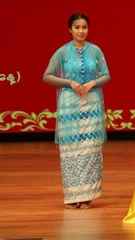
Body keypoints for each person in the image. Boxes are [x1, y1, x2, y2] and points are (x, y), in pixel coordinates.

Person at [43, 13, 110, 209]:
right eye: (77, 27)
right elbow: (47, 76)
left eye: (84, 27)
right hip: (70, 106)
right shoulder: (62, 52)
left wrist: (93, 82)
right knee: (72, 150)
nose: (81, 31)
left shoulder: (96, 51)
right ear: (70, 29)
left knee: (90, 149)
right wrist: (69, 82)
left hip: (91, 104)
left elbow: (107, 75)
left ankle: (88, 194)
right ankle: (72, 197)